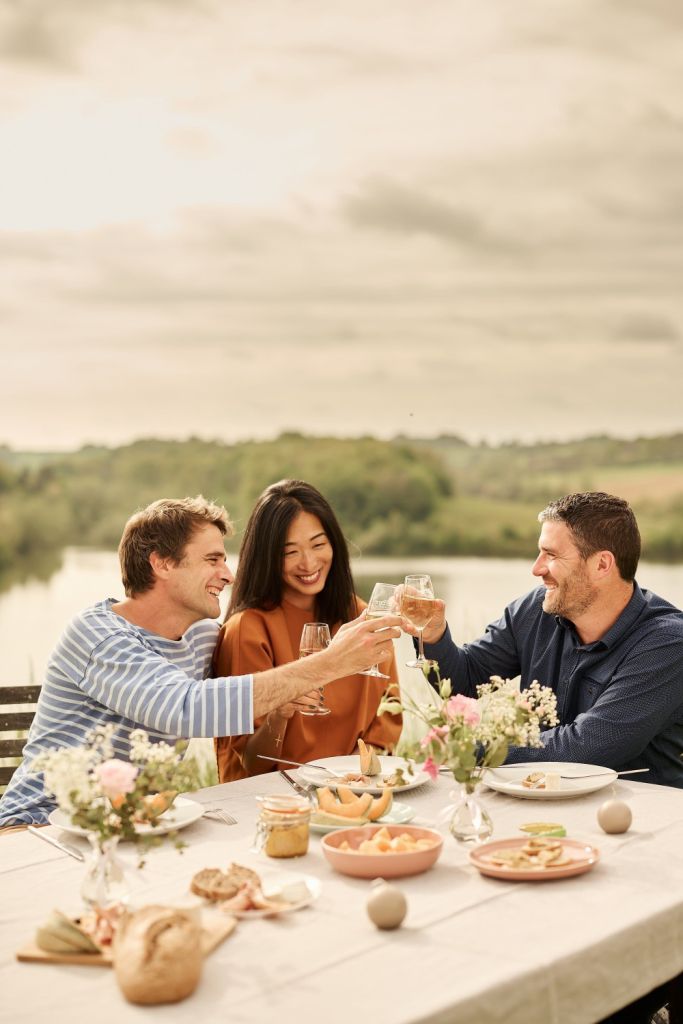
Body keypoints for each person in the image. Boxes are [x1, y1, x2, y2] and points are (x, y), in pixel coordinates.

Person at [0, 496, 400, 826]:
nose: (227, 575)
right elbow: (186, 706)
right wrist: (332, 661)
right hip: (38, 824)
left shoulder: (202, 638)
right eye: (212, 560)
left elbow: (249, 683)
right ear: (162, 563)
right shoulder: (97, 634)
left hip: (128, 826)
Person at [409, 492, 683, 788]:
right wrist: (433, 634)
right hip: (543, 805)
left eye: (551, 555)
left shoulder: (667, 643)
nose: (536, 568)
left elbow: (586, 748)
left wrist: (474, 750)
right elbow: (465, 680)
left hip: (643, 818)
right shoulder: (535, 609)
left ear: (602, 564)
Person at [213, 480, 402, 782]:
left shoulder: (359, 616)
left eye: (318, 544)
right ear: (267, 557)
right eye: (290, 552)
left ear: (334, 544)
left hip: (354, 791)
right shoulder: (247, 630)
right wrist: (280, 713)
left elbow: (386, 724)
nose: (309, 563)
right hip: (271, 801)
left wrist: (348, 781)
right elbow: (249, 763)